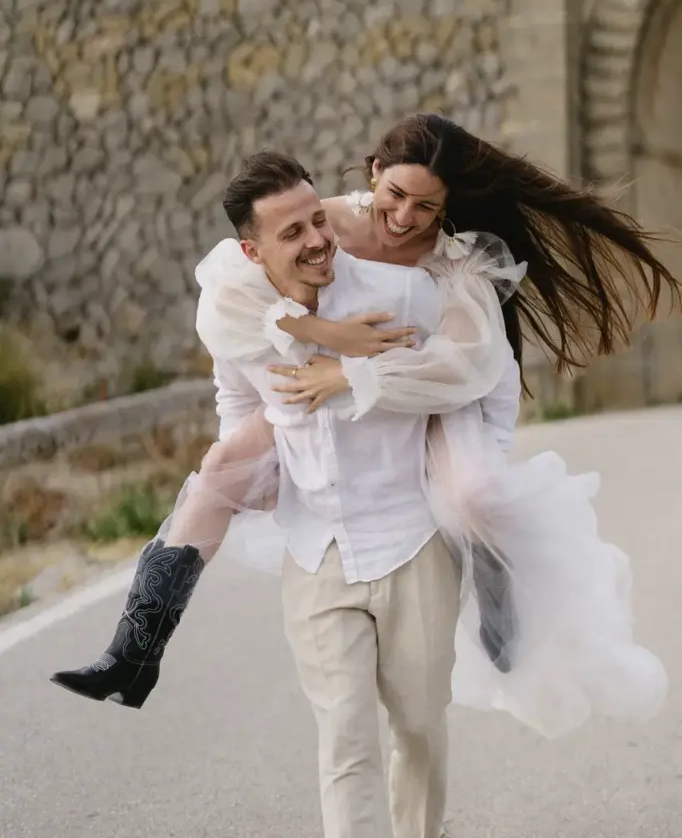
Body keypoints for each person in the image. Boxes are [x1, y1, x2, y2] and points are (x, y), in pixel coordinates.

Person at [52, 118, 677, 730]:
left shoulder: (454, 261)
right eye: (396, 195)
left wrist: (352, 374)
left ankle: (495, 578)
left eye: (426, 207)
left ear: (447, 207)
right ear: (374, 172)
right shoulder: (324, 222)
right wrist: (323, 333)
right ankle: (133, 655)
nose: (404, 217)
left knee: (471, 496)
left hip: (443, 393)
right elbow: (224, 289)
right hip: (333, 381)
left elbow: (462, 364)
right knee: (220, 469)